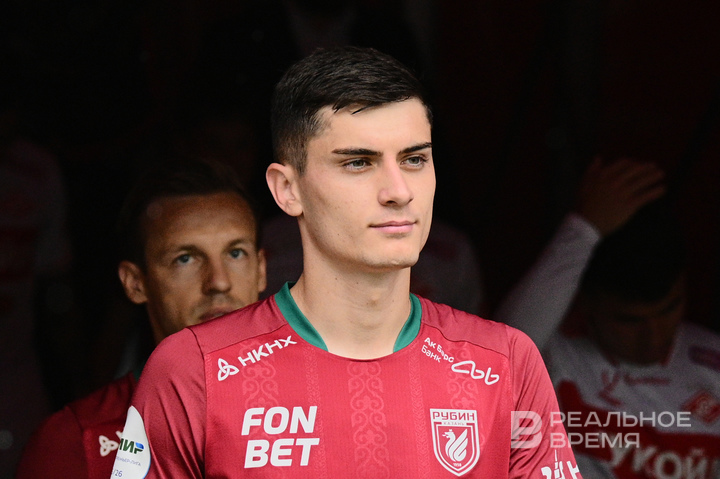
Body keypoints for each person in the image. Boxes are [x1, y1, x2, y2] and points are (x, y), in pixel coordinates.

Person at [111, 46, 581, 478]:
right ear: (287, 189)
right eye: (359, 162)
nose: (399, 191)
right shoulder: (193, 369)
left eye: (414, 160)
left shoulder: (505, 365)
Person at [15, 157, 267, 479]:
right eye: (185, 259)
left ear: (261, 269)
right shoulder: (78, 442)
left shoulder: (318, 408)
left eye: (235, 253)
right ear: (135, 283)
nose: (218, 282)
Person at [496, 158, 720, 477]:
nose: (654, 336)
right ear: (585, 304)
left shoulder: (713, 364)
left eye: (669, 309)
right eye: (629, 321)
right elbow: (501, 350)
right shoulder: (556, 355)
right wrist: (583, 229)